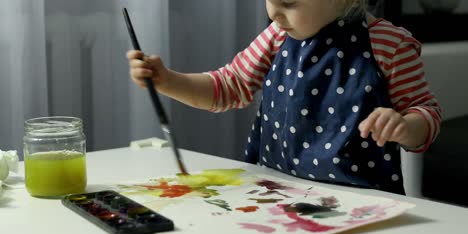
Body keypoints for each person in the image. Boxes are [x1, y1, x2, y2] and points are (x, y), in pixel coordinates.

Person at [127, 0, 441, 195]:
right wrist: (167, 80)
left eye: (289, 2)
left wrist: (405, 125)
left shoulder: (390, 45)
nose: (274, 12)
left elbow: (426, 114)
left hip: (363, 202)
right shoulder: (277, 37)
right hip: (276, 195)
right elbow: (228, 86)